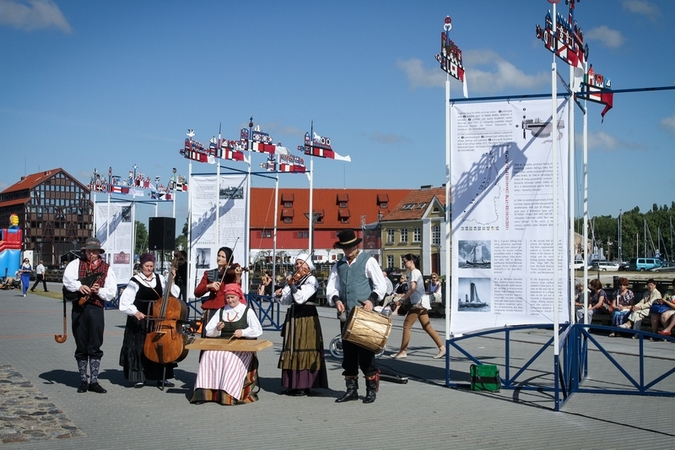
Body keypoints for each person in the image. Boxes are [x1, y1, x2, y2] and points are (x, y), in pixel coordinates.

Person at [326, 229, 387, 404]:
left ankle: (370, 389)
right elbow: (332, 287)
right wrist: (336, 299)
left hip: (365, 314)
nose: (347, 250)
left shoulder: (368, 261)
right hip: (346, 315)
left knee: (366, 351)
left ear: (356, 245)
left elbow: (380, 285)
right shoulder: (339, 265)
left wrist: (371, 301)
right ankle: (351, 389)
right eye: (344, 248)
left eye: (350, 247)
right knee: (349, 353)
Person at [190, 283, 262, 405]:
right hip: (222, 345)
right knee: (208, 356)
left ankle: (227, 394)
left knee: (229, 358)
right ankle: (203, 393)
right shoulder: (221, 311)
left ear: (238, 296)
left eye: (232, 297)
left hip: (241, 348)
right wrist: (217, 329)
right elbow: (208, 330)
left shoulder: (247, 311)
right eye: (227, 298)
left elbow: (258, 330)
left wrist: (243, 332)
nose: (230, 300)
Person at [62, 237, 117, 394]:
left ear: (99, 252)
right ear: (85, 251)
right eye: (89, 251)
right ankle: (83, 380)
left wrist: (98, 290)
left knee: (95, 343)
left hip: (96, 308)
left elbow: (111, 292)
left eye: (94, 251)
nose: (91, 254)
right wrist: (80, 287)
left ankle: (94, 380)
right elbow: (67, 281)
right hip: (79, 308)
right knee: (81, 343)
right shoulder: (75, 264)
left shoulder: (107, 268)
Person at [119, 253, 181, 388]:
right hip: (140, 320)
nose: (149, 269)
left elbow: (173, 294)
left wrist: (172, 280)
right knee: (140, 346)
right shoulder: (134, 281)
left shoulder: (159, 278)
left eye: (151, 266)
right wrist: (135, 312)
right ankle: (139, 377)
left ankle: (161, 377)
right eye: (146, 266)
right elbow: (124, 303)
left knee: (159, 345)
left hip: (157, 318)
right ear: (141, 266)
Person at [275, 253, 328, 396]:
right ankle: (292, 383)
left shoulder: (311, 280)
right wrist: (280, 294)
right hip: (294, 317)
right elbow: (286, 301)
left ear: (308, 265)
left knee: (305, 346)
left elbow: (300, 298)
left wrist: (292, 286)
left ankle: (304, 384)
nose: (298, 266)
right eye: (296, 263)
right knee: (292, 348)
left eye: (301, 263)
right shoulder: (295, 279)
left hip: (307, 317)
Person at [390, 254, 446, 360]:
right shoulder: (414, 272)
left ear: (411, 261)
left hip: (418, 303)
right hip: (422, 302)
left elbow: (412, 288)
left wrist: (401, 300)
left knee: (407, 325)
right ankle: (442, 348)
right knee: (427, 326)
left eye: (405, 261)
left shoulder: (414, 272)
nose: (403, 263)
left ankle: (403, 351)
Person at [194, 246, 244, 335]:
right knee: (209, 335)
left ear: (228, 260)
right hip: (212, 308)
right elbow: (197, 292)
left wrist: (238, 277)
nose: (219, 258)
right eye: (219, 255)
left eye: (223, 257)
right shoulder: (209, 273)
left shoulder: (231, 274)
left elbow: (237, 291)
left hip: (227, 309)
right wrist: (209, 286)